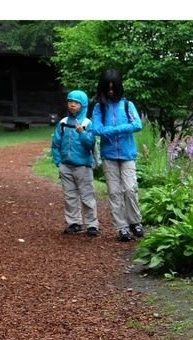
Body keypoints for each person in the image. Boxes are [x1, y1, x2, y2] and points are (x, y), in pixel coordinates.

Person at [91, 69, 143, 242]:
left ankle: (135, 222)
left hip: (127, 154)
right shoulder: (100, 107)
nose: (111, 92)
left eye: (113, 88)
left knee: (130, 188)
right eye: (107, 88)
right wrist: (120, 130)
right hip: (109, 155)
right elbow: (96, 129)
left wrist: (113, 131)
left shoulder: (128, 105)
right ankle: (121, 227)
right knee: (114, 192)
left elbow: (137, 124)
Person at [51, 89, 99, 236]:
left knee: (87, 196)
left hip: (83, 166)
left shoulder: (87, 123)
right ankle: (74, 223)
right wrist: (59, 162)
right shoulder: (63, 123)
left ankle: (92, 224)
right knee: (70, 196)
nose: (72, 105)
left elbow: (91, 144)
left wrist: (81, 133)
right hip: (66, 166)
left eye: (76, 103)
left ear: (83, 105)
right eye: (70, 102)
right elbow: (56, 144)